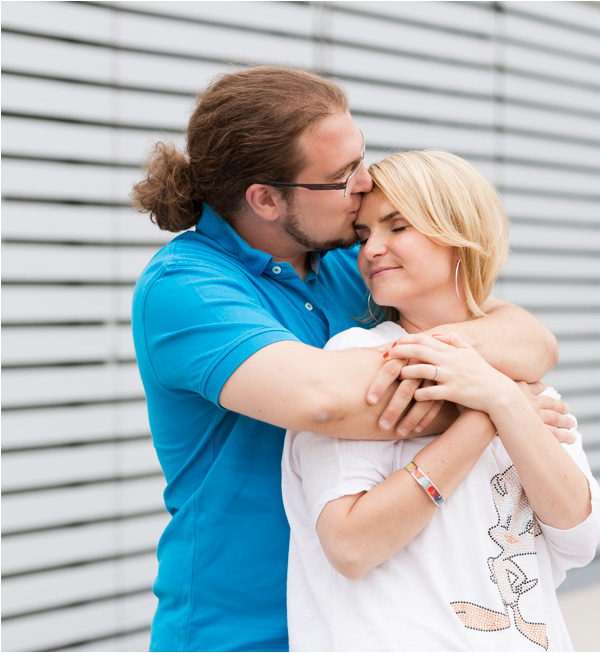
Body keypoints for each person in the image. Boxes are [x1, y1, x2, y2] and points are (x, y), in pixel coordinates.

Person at [130, 66, 566, 651]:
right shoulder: (187, 287)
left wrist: (491, 386)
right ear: (264, 198)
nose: (364, 184)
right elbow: (326, 401)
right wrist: (495, 406)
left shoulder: (351, 264)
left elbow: (528, 340)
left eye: (360, 158)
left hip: (361, 625)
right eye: (340, 177)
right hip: (243, 631)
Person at [282, 150, 600, 651]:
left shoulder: (512, 373)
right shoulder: (363, 360)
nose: (370, 251)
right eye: (365, 234)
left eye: (397, 227)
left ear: (459, 235)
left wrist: (499, 395)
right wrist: (487, 416)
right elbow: (351, 545)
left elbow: (579, 535)